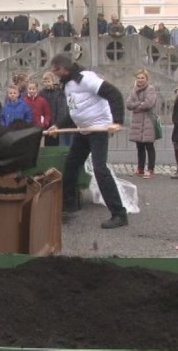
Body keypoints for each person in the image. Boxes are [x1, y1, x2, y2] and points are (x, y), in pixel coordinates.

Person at [46, 53, 127, 229]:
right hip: (83, 130)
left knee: (100, 169)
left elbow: (114, 94)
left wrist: (117, 121)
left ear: (65, 68)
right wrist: (57, 126)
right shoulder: (68, 85)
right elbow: (75, 112)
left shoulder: (86, 78)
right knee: (72, 164)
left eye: (56, 70)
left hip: (98, 129)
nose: (54, 73)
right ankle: (69, 204)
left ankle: (119, 214)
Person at [126, 69, 158, 179]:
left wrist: (137, 105)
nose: (140, 80)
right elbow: (128, 104)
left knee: (149, 146)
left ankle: (150, 169)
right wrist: (140, 103)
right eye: (138, 78)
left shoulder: (150, 89)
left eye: (142, 78)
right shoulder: (134, 90)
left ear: (146, 79)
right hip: (137, 122)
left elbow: (149, 104)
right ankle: (140, 169)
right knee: (139, 147)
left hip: (148, 121)